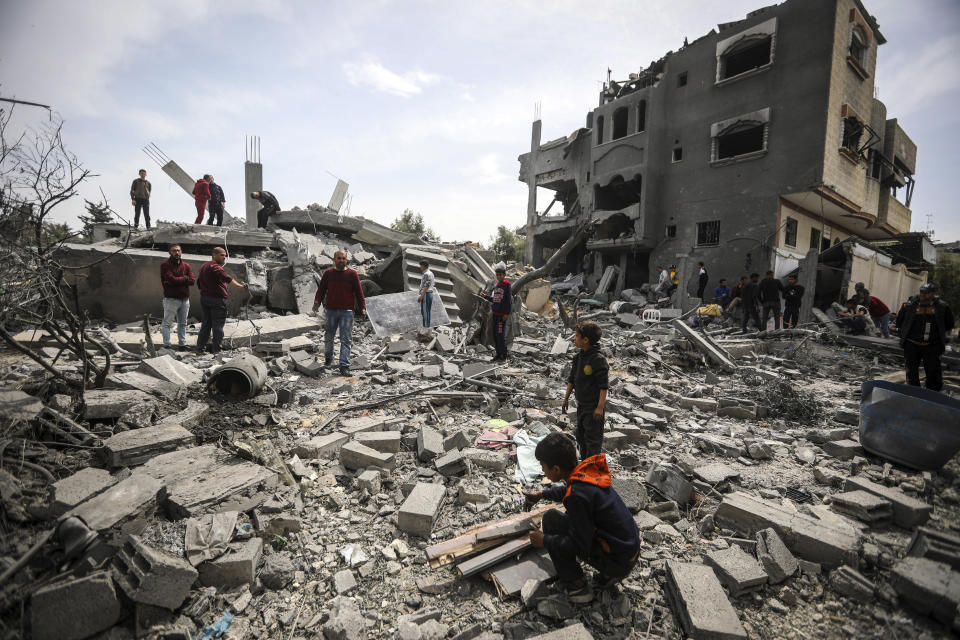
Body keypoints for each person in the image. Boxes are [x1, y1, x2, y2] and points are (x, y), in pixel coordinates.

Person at [524, 433, 641, 604]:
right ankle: (607, 574)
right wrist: (542, 494)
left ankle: (577, 587)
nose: (542, 470)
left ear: (556, 469)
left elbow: (578, 545)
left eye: (543, 466)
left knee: (551, 520)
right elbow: (569, 491)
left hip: (618, 561)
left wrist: (544, 540)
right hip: (628, 552)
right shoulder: (587, 472)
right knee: (565, 518)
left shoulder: (577, 496)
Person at [313, 250, 366, 376]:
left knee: (346, 339)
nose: (341, 260)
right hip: (331, 310)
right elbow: (321, 290)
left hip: (347, 311)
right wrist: (316, 302)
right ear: (334, 259)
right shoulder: (328, 274)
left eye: (343, 258)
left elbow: (359, 292)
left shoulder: (352, 274)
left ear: (346, 260)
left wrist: (363, 307)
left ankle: (344, 366)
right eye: (339, 258)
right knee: (329, 336)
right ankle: (328, 358)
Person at [561, 322, 609, 461]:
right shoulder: (579, 357)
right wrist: (566, 399)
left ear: (586, 340)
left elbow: (603, 387)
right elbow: (572, 379)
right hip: (581, 405)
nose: (574, 339)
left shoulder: (598, 360)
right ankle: (584, 465)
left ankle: (591, 470)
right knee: (581, 437)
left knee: (592, 440)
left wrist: (599, 408)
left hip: (593, 408)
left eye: (577, 336)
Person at [896, 283, 954, 391]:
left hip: (932, 346)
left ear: (933, 294)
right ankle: (913, 392)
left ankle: (932, 395)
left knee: (933, 371)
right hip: (911, 344)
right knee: (911, 371)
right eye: (922, 292)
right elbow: (899, 322)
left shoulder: (942, 307)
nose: (923, 295)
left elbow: (949, 324)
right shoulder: (909, 305)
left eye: (927, 293)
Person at [196, 247, 247, 354]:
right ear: (214, 255)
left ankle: (200, 349)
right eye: (221, 255)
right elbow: (227, 278)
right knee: (218, 326)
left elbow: (199, 283)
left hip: (205, 299)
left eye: (225, 255)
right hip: (217, 301)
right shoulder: (215, 267)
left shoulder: (204, 266)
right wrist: (240, 286)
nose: (224, 257)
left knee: (206, 325)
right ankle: (216, 350)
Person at [159, 244, 194, 350]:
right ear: (170, 252)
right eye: (174, 251)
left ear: (181, 252)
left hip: (185, 299)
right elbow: (171, 280)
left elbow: (192, 281)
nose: (177, 253)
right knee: (167, 324)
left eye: (178, 250)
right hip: (171, 299)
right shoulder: (165, 265)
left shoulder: (186, 266)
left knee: (182, 323)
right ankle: (167, 345)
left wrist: (178, 280)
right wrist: (185, 278)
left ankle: (182, 345)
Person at [480, 263, 512, 361]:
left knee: (500, 335)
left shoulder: (507, 285)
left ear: (504, 275)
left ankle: (504, 355)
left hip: (502, 316)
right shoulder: (497, 286)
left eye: (500, 275)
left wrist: (506, 313)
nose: (499, 276)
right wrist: (485, 296)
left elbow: (508, 301)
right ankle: (498, 354)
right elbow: (494, 299)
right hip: (495, 315)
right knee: (495, 335)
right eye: (497, 275)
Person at [417, 259, 436, 328]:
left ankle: (425, 327)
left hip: (426, 294)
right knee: (427, 311)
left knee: (424, 311)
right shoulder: (431, 273)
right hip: (429, 294)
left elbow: (426, 285)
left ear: (424, 266)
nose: (420, 267)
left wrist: (421, 296)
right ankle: (426, 326)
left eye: (421, 266)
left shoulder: (426, 274)